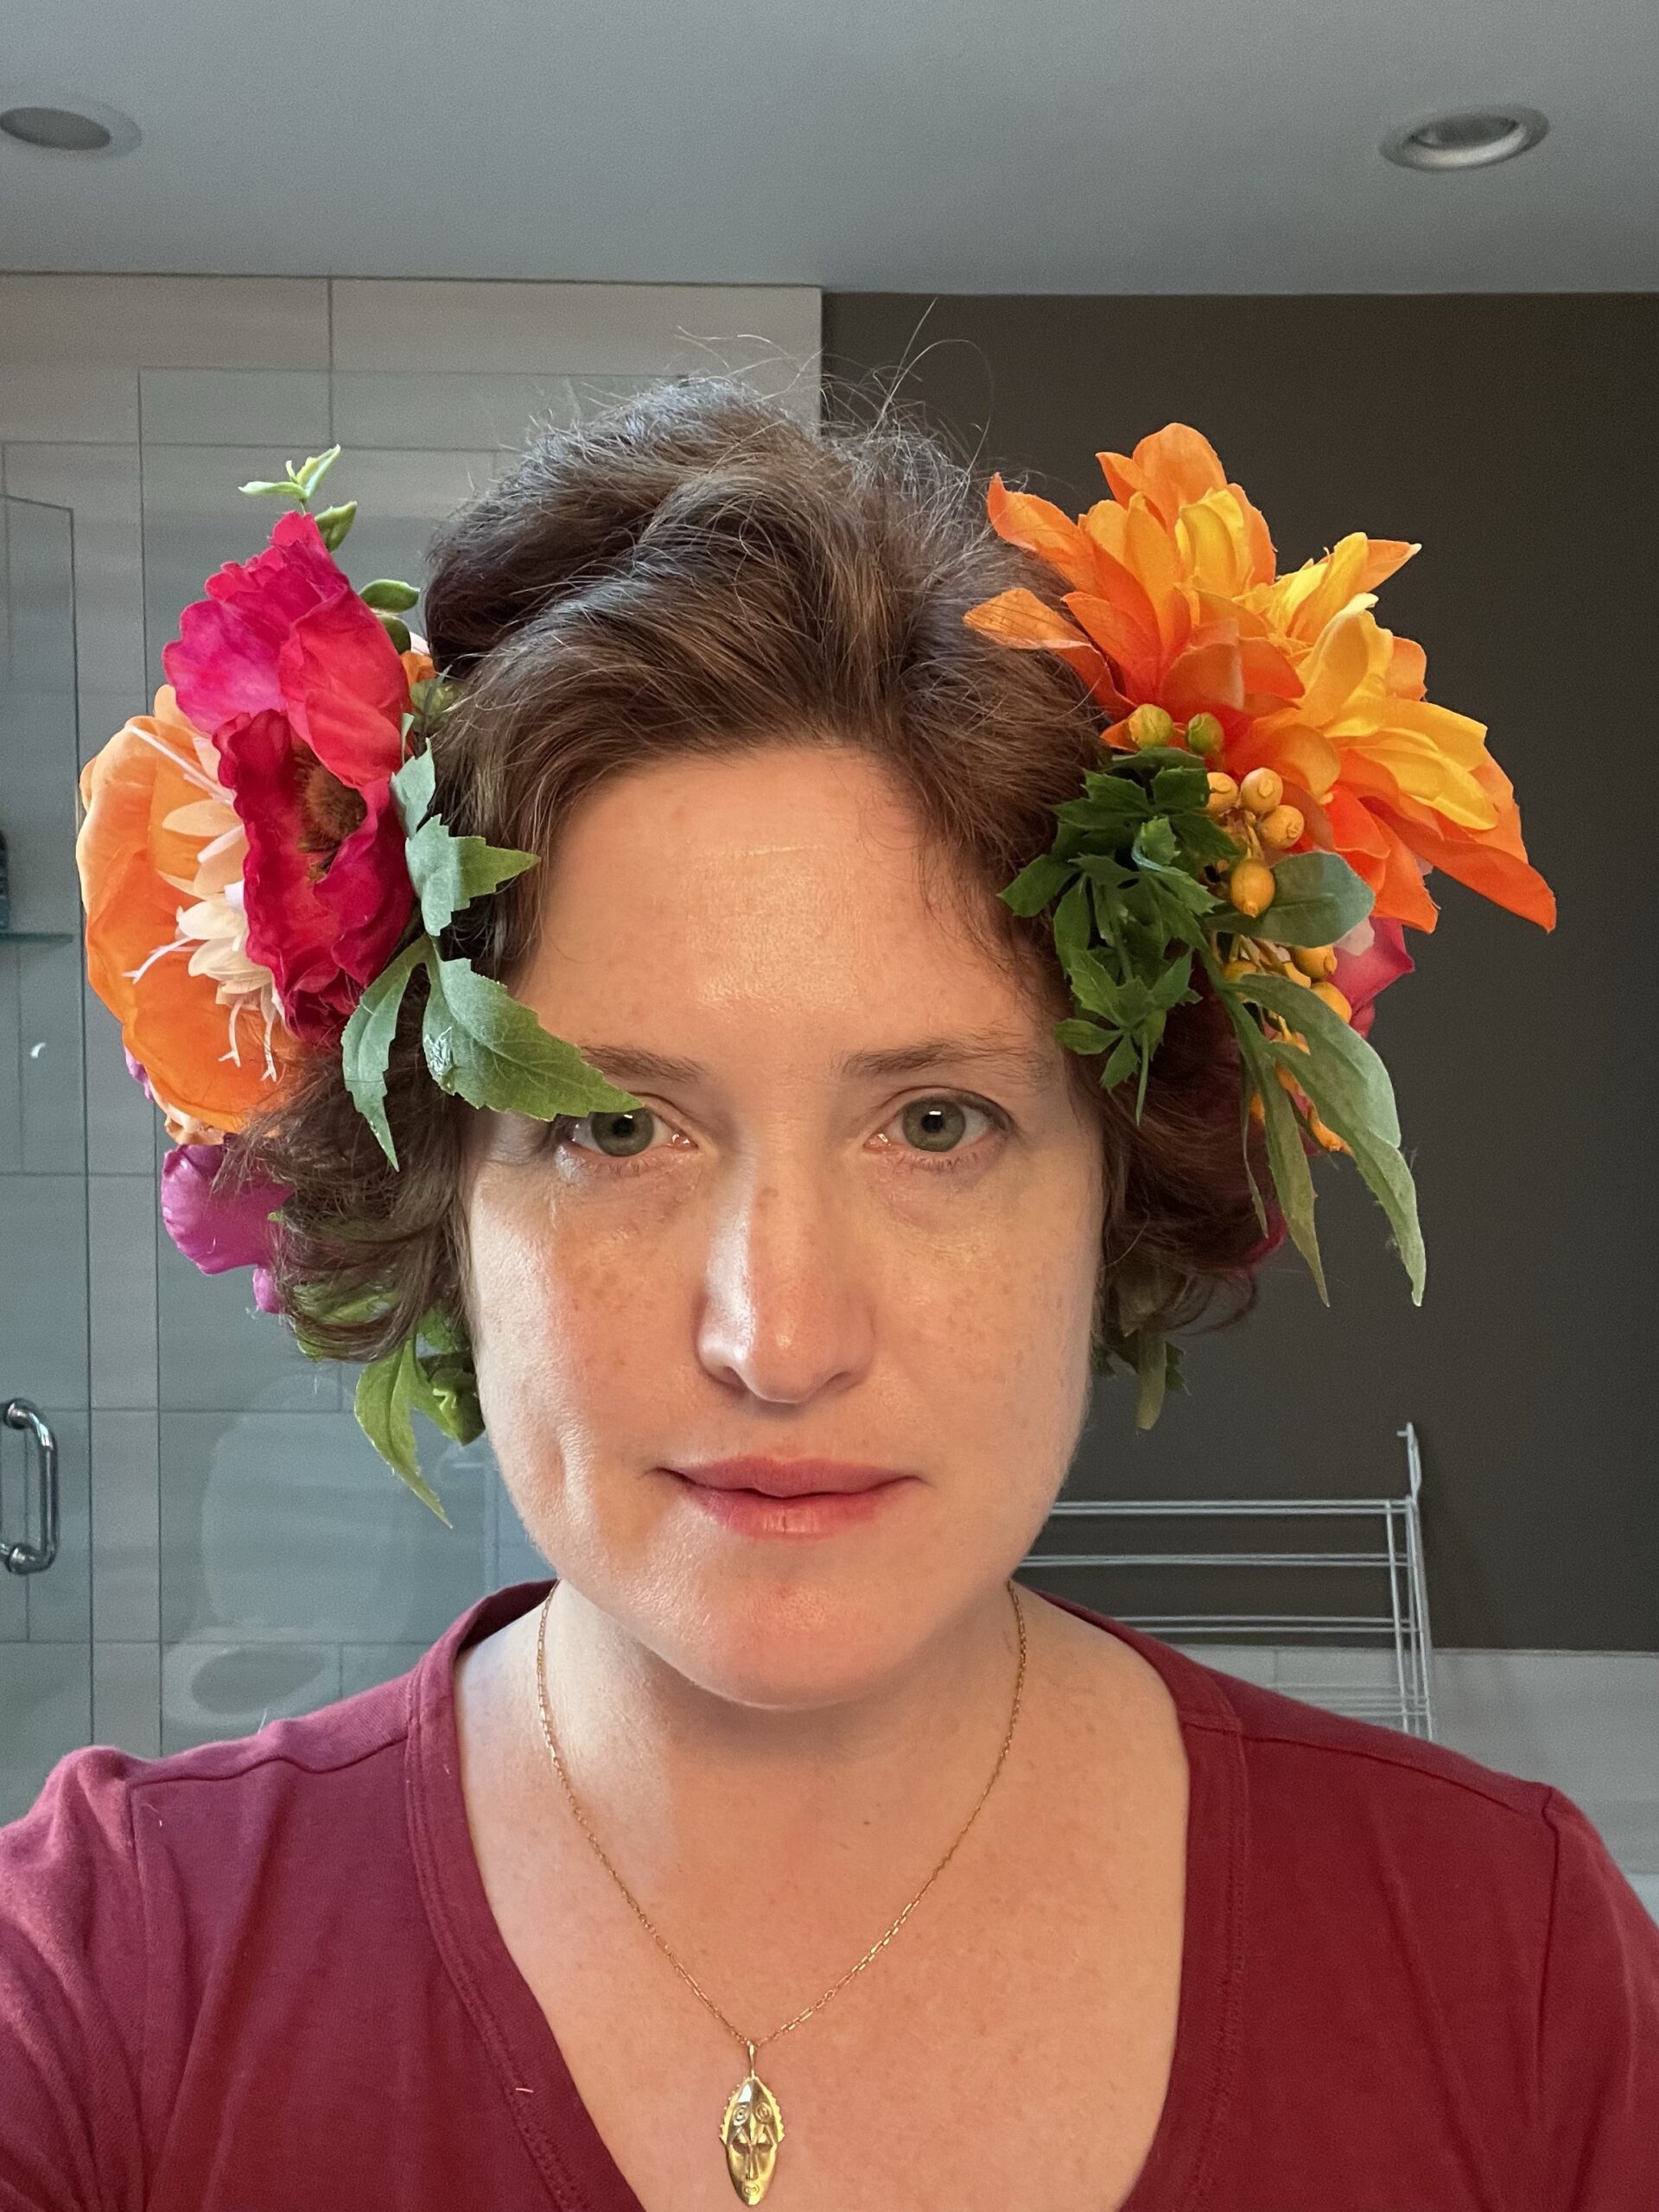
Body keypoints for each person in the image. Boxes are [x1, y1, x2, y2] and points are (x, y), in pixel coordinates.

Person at [3, 383, 1656, 2211]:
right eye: (614, 1122)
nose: (778, 1340)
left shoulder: (1512, 1966)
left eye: (934, 1121)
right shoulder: (107, 1980)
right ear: (439, 1192)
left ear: (1120, 1180)